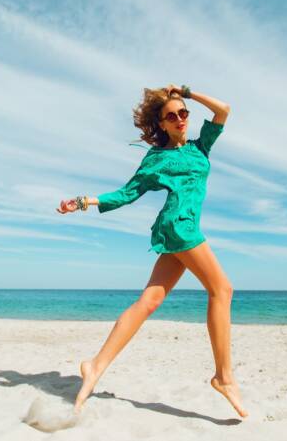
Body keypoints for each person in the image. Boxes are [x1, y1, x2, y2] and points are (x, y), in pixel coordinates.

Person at [56, 84, 247, 418]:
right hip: (180, 227)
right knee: (222, 289)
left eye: (182, 113)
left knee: (149, 302)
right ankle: (224, 376)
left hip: (180, 229)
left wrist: (187, 93)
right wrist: (84, 201)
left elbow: (224, 110)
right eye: (171, 116)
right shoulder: (156, 159)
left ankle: (95, 366)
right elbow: (127, 193)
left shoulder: (201, 148)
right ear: (161, 124)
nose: (179, 119)